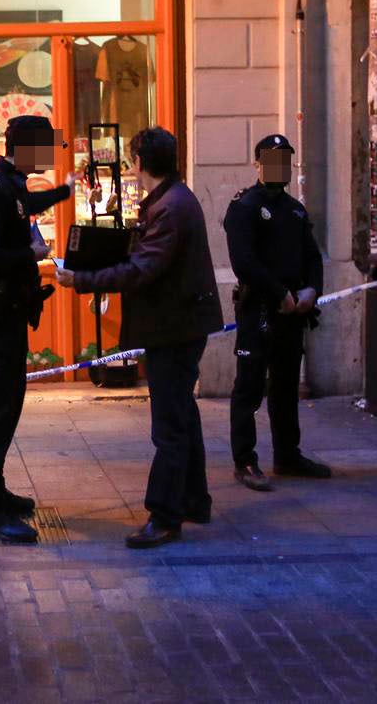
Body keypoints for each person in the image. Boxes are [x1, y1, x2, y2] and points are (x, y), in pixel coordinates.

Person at [58, 127, 223, 549]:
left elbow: (143, 269)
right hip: (178, 325)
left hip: (175, 328)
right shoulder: (171, 200)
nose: (131, 168)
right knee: (182, 413)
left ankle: (164, 516)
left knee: (169, 424)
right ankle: (193, 499)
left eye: (132, 160)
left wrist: (81, 278)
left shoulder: (170, 207)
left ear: (138, 163)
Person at [0, 115, 72, 543]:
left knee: (9, 405)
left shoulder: (14, 186)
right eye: (45, 145)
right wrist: (29, 251)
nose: (50, 153)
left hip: (8, 313)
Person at [222, 134, 332, 492]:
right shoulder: (245, 206)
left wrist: (312, 290)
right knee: (249, 387)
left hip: (292, 311)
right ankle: (245, 460)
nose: (279, 166)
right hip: (260, 309)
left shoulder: (295, 209)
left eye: (285, 159)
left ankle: (288, 454)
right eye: (272, 159)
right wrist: (280, 293)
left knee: (285, 386)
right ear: (258, 165)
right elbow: (244, 261)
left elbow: (312, 256)